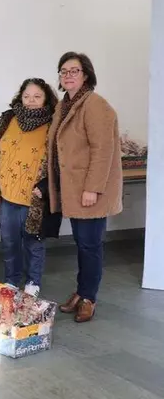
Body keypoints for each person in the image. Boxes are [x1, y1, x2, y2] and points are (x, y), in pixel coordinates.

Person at [48, 52, 122, 323]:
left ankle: (89, 298)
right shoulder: (64, 105)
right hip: (74, 189)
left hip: (89, 190)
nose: (68, 75)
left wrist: (93, 188)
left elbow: (103, 151)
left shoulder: (95, 105)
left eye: (74, 71)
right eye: (64, 71)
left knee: (90, 245)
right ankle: (82, 291)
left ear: (86, 75)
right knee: (82, 243)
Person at [0, 78, 60, 297]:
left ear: (46, 99)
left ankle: (33, 282)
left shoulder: (54, 124)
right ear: (20, 97)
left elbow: (61, 161)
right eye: (27, 96)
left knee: (33, 243)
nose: (31, 101)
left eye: (37, 96)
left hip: (34, 197)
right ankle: (11, 280)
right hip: (6, 196)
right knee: (9, 242)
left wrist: (45, 186)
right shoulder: (8, 119)